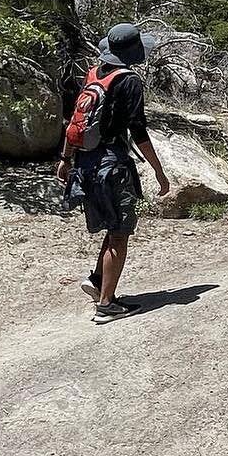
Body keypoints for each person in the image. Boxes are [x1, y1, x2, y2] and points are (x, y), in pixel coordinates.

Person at [57, 24, 170, 324]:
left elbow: (75, 120)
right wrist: (159, 171)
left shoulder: (94, 74)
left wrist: (65, 158)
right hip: (112, 166)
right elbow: (139, 130)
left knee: (112, 227)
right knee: (120, 233)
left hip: (85, 163)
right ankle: (107, 304)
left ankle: (97, 281)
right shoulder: (130, 81)